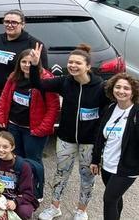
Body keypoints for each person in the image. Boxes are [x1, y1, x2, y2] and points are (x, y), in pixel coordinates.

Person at [33, 44, 104, 220]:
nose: (72, 65)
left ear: (88, 66)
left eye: (77, 63)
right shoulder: (64, 82)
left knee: (87, 176)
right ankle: (54, 207)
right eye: (70, 62)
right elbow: (38, 83)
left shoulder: (101, 87)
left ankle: (82, 210)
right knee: (61, 172)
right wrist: (36, 65)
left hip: (89, 140)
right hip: (66, 137)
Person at [0, 47, 57, 196]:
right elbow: (4, 98)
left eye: (31, 62)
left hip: (34, 130)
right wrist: (1, 117)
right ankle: (20, 188)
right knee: (17, 158)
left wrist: (42, 129)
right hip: (14, 126)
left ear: (37, 63)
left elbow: (53, 108)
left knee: (33, 162)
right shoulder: (14, 77)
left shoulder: (46, 80)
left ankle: (37, 192)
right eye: (24, 62)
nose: (27, 65)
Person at [0, 10, 49, 129]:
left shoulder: (34, 44)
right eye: (7, 21)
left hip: (12, 98)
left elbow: (41, 73)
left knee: (4, 131)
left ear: (22, 24)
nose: (10, 25)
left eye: (14, 22)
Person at [91, 72, 139, 220]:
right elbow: (100, 135)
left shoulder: (137, 112)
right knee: (115, 198)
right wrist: (95, 159)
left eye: (126, 88)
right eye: (118, 87)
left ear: (133, 92)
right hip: (108, 164)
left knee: (109, 200)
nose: (121, 91)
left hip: (127, 167)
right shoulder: (111, 108)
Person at [0, 131, 37, 220]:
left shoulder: (23, 166)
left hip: (17, 198)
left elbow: (28, 193)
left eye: (5, 147)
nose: (1, 150)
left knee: (24, 212)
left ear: (12, 147)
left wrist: (16, 202)